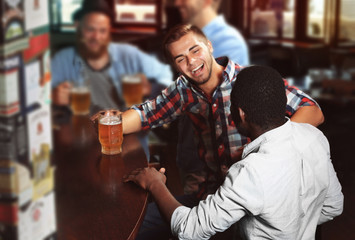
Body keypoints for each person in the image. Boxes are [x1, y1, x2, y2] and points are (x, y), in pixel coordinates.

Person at [116, 24, 324, 239]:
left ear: (209, 46)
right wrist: (111, 122)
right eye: (180, 59)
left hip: (256, 203)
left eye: (195, 50)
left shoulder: (248, 82)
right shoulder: (183, 89)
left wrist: (266, 152)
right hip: (210, 199)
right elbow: (146, 114)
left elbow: (313, 110)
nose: (192, 62)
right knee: (131, 224)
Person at [173, 0, 250, 195]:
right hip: (191, 157)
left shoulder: (228, 41)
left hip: (211, 170)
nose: (177, 2)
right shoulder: (189, 38)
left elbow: (226, 110)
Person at [51, 0, 173, 113]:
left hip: (126, 129)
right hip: (82, 129)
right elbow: (39, 94)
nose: (96, 37)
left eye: (102, 30)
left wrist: (151, 88)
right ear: (78, 26)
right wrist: (52, 96)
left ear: (109, 30)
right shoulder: (63, 59)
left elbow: (169, 76)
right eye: (90, 29)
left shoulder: (129, 54)